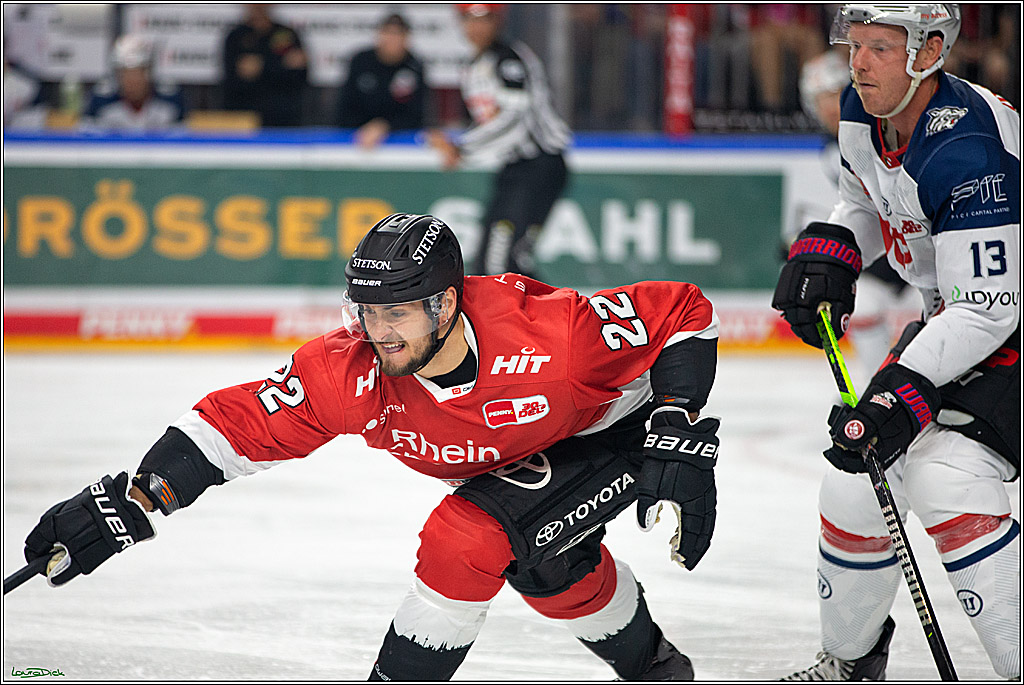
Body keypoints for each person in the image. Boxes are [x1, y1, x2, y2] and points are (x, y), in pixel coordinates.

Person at [19, 213, 723, 681]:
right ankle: (660, 670)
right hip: (523, 459)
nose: (379, 330)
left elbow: (684, 311)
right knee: (547, 565)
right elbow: (239, 425)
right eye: (368, 310)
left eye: (398, 313)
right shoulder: (351, 369)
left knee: (469, 538)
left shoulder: (554, 336)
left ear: (446, 305)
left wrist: (678, 421)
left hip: (618, 432)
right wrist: (135, 500)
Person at [772, 4, 1019, 680]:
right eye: (856, 45)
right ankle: (852, 662)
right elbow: (867, 200)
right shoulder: (863, 108)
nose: (859, 62)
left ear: (930, 50)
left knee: (946, 474)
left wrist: (897, 392)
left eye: (880, 47)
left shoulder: (968, 147)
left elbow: (991, 311)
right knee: (856, 477)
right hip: (957, 314)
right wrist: (833, 249)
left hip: (1005, 323)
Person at [792, 47, 912, 389]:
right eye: (820, 99)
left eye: (835, 94)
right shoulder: (828, 153)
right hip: (882, 256)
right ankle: (879, 390)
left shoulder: (884, 127)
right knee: (864, 305)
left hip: (922, 248)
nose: (829, 107)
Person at [426, 3, 570, 280]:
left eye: (485, 19)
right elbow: (488, 122)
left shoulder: (509, 59)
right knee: (495, 260)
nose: (477, 27)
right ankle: (541, 319)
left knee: (501, 261)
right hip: (514, 169)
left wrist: (461, 148)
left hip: (539, 166)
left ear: (498, 22)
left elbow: (515, 120)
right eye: (470, 19)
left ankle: (544, 319)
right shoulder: (474, 66)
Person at [336, 12, 428, 149]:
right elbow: (344, 106)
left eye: (397, 34)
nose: (391, 39)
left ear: (406, 38)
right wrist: (366, 128)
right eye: (387, 33)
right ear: (378, 34)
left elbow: (416, 115)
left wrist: (385, 126)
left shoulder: (414, 67)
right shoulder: (360, 61)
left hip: (399, 140)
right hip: (355, 136)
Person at [221, 4, 307, 127]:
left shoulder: (286, 34)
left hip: (283, 118)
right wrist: (281, 65)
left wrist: (261, 67)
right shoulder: (236, 36)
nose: (258, 6)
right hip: (244, 117)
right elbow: (234, 79)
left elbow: (299, 76)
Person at [80, 34, 185, 131]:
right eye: (126, 73)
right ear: (117, 75)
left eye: (139, 72)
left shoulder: (170, 99)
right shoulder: (101, 100)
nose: (133, 80)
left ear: (149, 73)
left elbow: (183, 139)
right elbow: (86, 140)